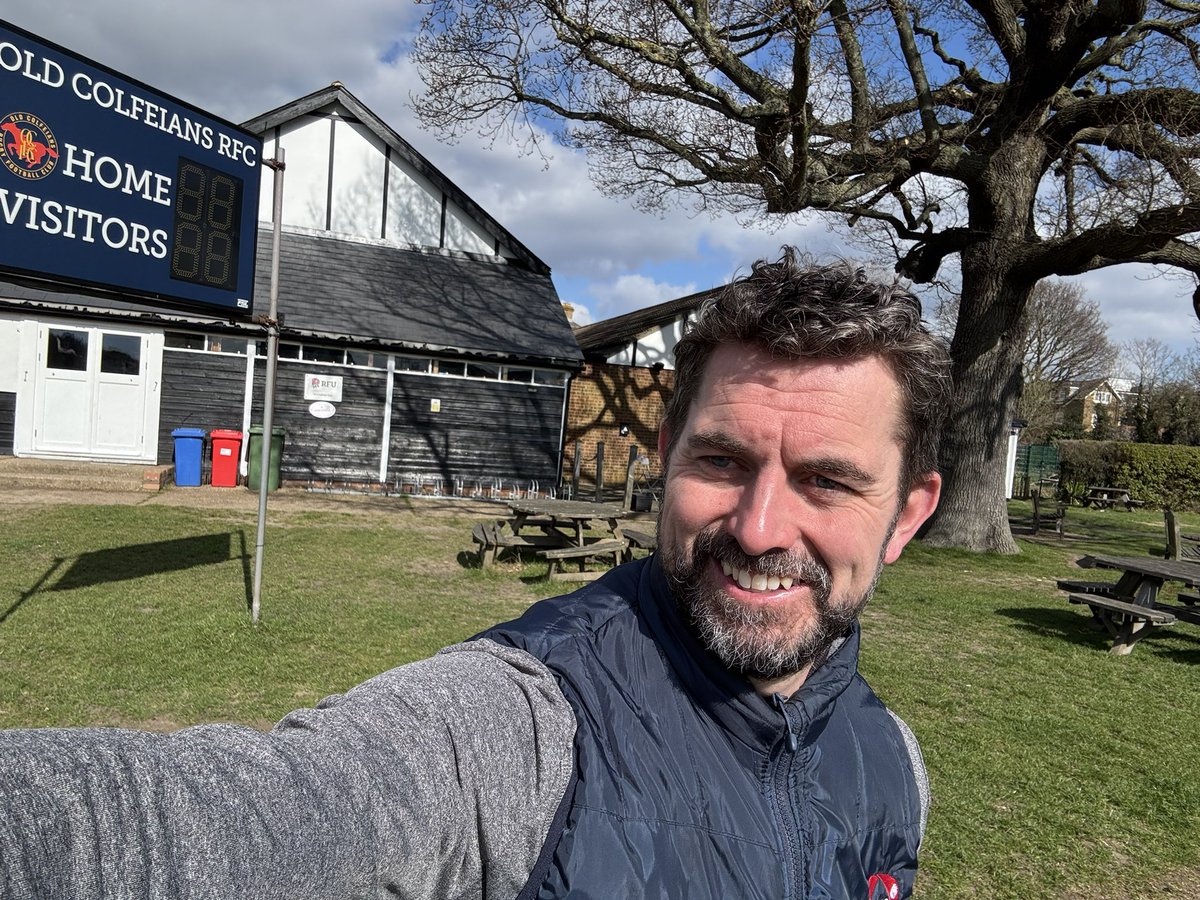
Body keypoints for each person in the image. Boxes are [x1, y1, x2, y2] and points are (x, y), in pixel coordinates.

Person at [0, 249, 951, 900]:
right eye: (722, 462)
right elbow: (241, 815)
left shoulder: (895, 764)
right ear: (666, 455)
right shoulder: (524, 732)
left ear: (908, 514)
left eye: (826, 481)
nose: (757, 526)